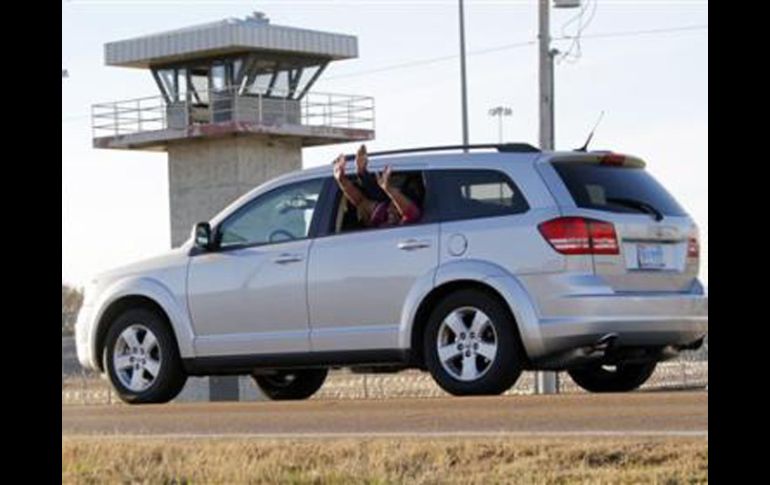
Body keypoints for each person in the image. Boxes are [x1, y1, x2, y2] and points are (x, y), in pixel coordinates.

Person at [333, 145, 422, 228]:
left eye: (396, 208)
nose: (390, 211)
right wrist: (341, 180)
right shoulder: (381, 214)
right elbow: (360, 201)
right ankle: (362, 173)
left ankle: (362, 173)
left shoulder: (407, 222)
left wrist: (388, 189)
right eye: (391, 206)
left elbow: (410, 211)